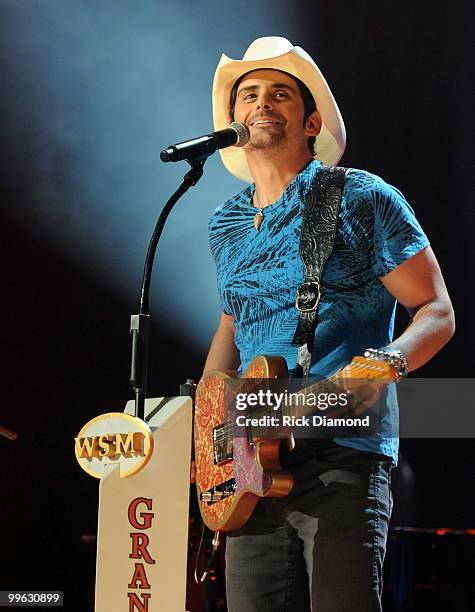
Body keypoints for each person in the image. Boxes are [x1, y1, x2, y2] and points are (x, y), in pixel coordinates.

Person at [202, 36, 454, 612]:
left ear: (311, 120)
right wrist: (208, 435)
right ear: (234, 119)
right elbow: (230, 328)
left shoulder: (360, 197)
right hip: (247, 461)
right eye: (250, 95)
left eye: (281, 94)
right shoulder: (226, 223)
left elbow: (437, 311)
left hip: (342, 449)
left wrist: (385, 365)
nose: (262, 103)